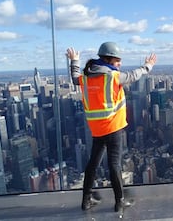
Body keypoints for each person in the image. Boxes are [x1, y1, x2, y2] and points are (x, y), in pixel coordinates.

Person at [66, 42, 157, 217]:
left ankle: (86, 200)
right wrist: (149, 65)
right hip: (113, 127)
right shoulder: (112, 77)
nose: (120, 64)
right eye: (117, 60)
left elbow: (74, 77)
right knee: (114, 164)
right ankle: (119, 201)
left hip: (96, 128)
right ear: (109, 60)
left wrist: (74, 61)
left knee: (93, 163)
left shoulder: (86, 76)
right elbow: (134, 75)